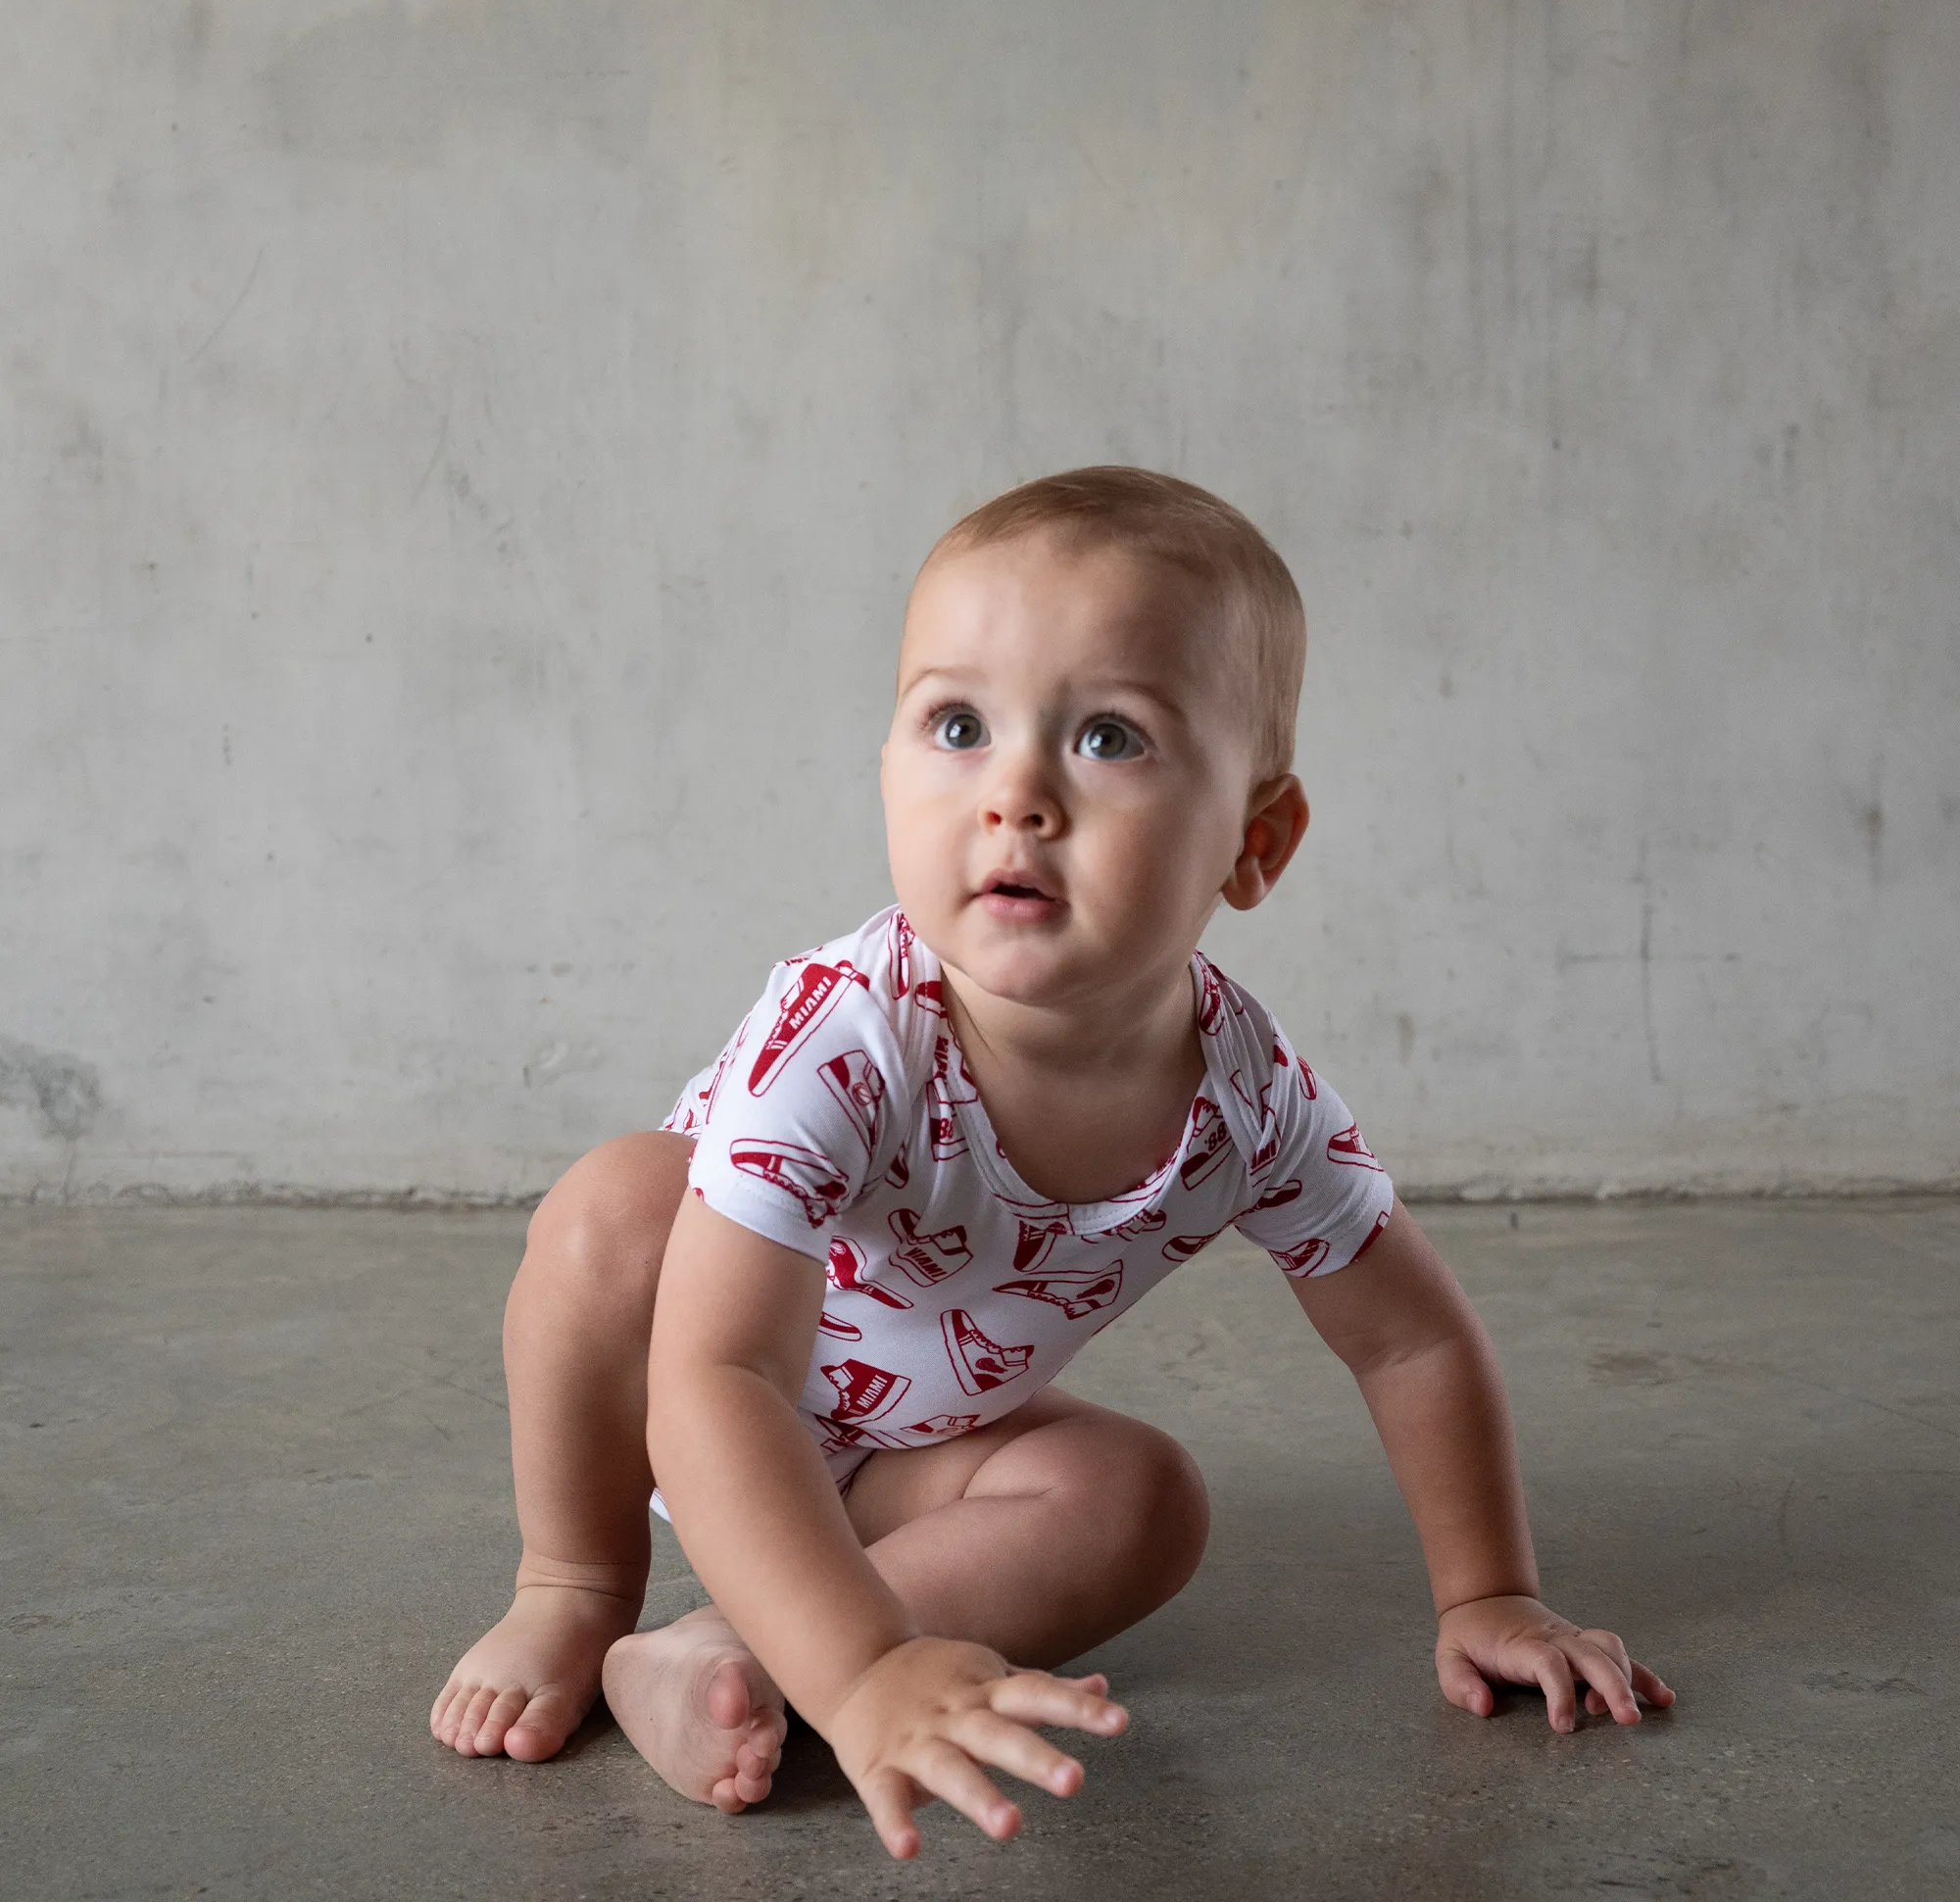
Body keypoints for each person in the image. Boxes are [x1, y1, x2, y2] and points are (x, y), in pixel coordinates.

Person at [430, 467, 1673, 1860]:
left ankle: (722, 1652)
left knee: (1143, 1501)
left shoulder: (1247, 1096)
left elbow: (1410, 1345)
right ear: (889, 768)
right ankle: (581, 1585)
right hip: (692, 1397)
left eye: (1109, 739)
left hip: (918, 1462)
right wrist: (866, 1676)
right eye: (958, 725)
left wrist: (1487, 1593)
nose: (1016, 794)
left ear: (1255, 842)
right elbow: (717, 1381)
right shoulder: (848, 1036)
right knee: (616, 1206)